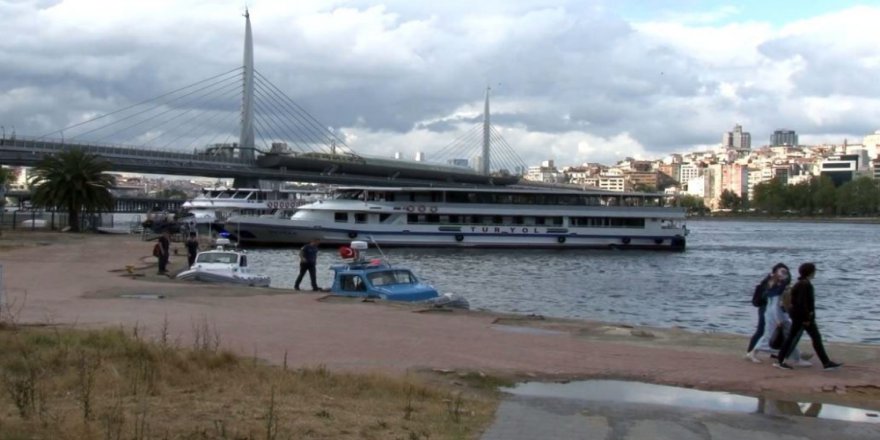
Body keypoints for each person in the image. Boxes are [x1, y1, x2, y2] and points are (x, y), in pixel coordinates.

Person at [775, 263, 843, 371]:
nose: (815, 272)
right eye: (814, 271)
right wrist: (807, 319)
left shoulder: (801, 283)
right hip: (803, 318)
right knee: (815, 338)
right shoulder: (805, 285)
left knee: (793, 338)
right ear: (810, 272)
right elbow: (802, 303)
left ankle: (780, 360)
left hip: (798, 317)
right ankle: (826, 363)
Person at [745, 263, 810, 366]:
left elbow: (774, 304)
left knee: (784, 335)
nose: (786, 275)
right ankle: (753, 352)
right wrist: (778, 319)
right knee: (772, 336)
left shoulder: (774, 285)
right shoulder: (777, 287)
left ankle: (794, 357)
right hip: (776, 316)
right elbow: (774, 305)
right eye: (783, 273)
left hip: (774, 315)